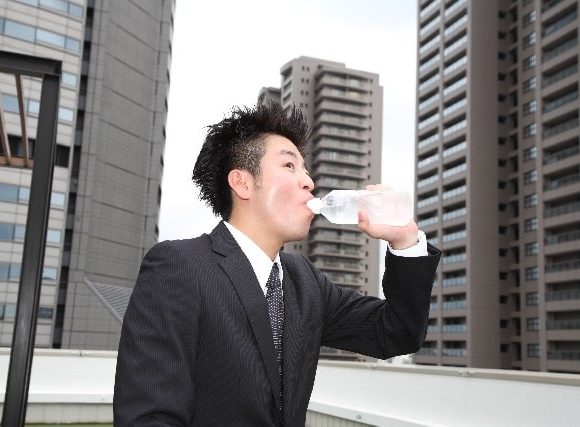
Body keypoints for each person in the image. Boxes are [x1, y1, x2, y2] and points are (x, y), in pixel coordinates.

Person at [114, 102, 441, 426]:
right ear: (242, 183)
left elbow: (396, 334)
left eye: (305, 169)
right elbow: (149, 416)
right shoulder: (179, 266)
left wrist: (406, 242)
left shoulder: (306, 282)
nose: (309, 182)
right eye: (289, 166)